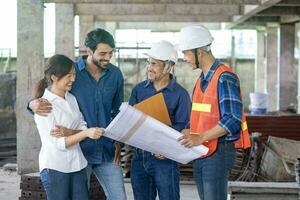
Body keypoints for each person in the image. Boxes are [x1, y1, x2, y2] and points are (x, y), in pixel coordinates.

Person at [29, 28, 127, 200]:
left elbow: (118, 110)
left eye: (111, 53)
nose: (108, 58)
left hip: (106, 149)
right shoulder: (71, 72)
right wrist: (31, 104)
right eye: (103, 53)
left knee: (119, 197)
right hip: (80, 152)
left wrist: (118, 142)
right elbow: (46, 89)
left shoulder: (115, 75)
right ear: (89, 51)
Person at [177, 25, 251, 200]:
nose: (184, 58)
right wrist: (188, 131)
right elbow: (198, 116)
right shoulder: (201, 80)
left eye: (186, 53)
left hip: (218, 152)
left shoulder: (224, 77)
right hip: (202, 150)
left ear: (199, 52)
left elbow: (233, 119)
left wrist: (201, 137)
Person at [34, 54, 103, 200]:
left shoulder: (71, 98)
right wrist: (85, 133)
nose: (73, 79)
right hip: (55, 167)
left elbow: (81, 124)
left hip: (77, 164)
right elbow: (58, 144)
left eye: (74, 75)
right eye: (68, 76)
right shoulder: (44, 105)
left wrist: (73, 132)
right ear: (54, 77)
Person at [128, 40, 191, 200]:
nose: (149, 67)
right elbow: (131, 121)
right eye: (148, 62)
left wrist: (166, 147)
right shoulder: (138, 90)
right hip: (139, 157)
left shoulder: (180, 95)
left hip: (165, 159)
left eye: (154, 64)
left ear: (168, 67)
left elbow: (184, 128)